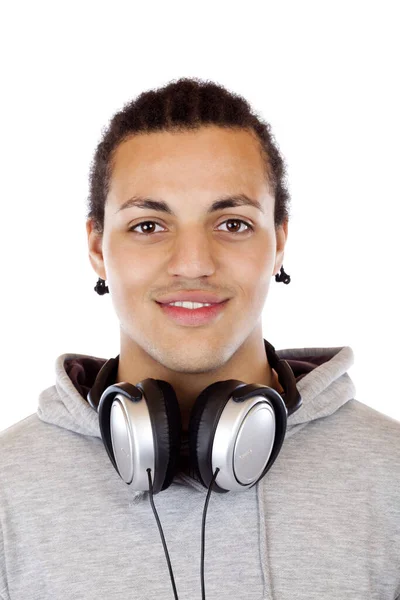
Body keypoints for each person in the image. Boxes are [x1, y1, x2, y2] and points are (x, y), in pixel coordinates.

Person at [1, 77, 399, 600]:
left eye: (232, 223)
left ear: (279, 241)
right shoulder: (9, 493)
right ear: (98, 247)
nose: (193, 264)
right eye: (149, 226)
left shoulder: (390, 476)